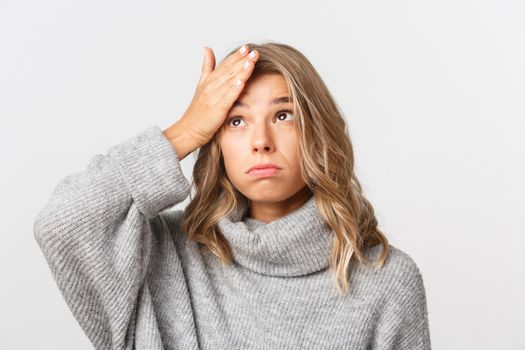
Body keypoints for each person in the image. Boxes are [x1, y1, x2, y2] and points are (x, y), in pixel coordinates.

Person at [33, 41, 432, 349]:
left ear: (318, 132)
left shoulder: (386, 281)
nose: (261, 141)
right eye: (236, 120)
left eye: (283, 115)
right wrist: (185, 131)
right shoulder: (161, 256)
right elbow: (60, 224)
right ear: (215, 140)